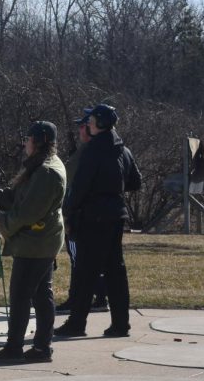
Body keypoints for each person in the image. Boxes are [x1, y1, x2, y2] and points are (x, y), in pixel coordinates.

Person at [0, 121, 66, 362]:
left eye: (28, 138)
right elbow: (13, 197)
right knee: (40, 294)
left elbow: (27, 213)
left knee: (21, 295)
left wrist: (2, 223)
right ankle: (40, 348)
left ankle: (16, 348)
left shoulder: (46, 172)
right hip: (40, 241)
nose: (25, 143)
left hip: (36, 244)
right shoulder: (41, 167)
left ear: (38, 141)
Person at [54, 103, 141, 339]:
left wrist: (69, 212)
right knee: (116, 271)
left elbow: (80, 187)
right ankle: (120, 324)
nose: (88, 126)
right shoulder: (123, 150)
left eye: (91, 122)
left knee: (85, 272)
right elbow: (136, 181)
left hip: (93, 218)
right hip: (116, 215)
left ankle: (76, 323)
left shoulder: (93, 151)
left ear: (101, 124)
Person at [56, 109, 108, 315]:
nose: (79, 129)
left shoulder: (89, 153)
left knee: (79, 259)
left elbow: (72, 183)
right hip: (89, 215)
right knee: (89, 258)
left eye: (83, 125)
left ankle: (79, 298)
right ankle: (98, 297)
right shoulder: (92, 150)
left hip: (79, 216)